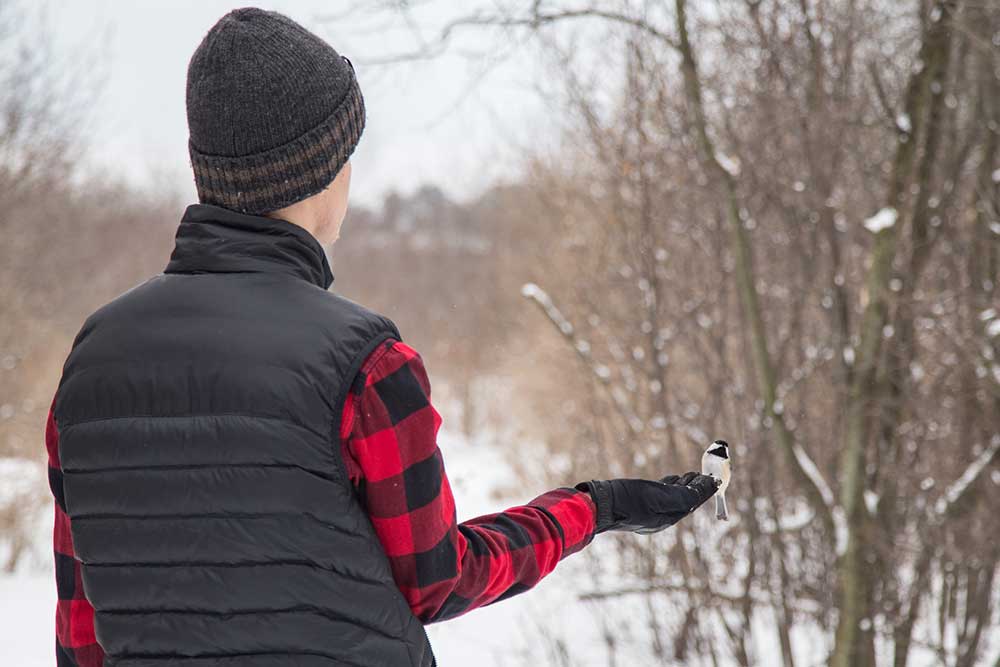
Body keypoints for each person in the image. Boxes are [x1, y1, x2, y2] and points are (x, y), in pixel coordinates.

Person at [45, 8, 720, 666]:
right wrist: (594, 507)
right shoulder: (366, 364)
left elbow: (81, 635)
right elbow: (440, 579)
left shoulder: (91, 364)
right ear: (320, 171)